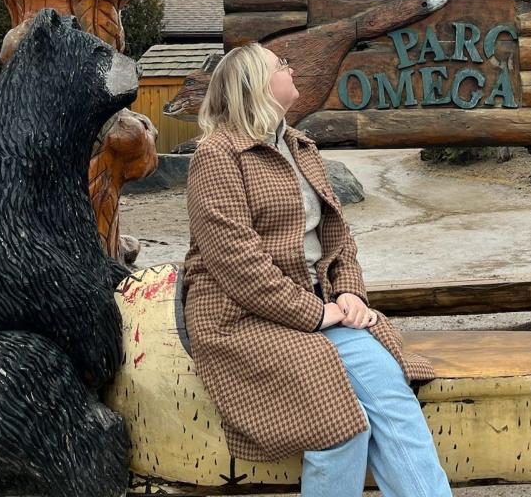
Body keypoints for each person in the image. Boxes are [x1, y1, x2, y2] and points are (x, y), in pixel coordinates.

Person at [184, 42, 452, 497]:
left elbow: (338, 236)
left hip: (316, 306)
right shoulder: (217, 155)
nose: (291, 68)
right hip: (241, 318)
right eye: (281, 65)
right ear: (257, 85)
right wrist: (316, 313)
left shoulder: (298, 146)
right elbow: (235, 262)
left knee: (391, 397)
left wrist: (348, 293)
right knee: (339, 427)